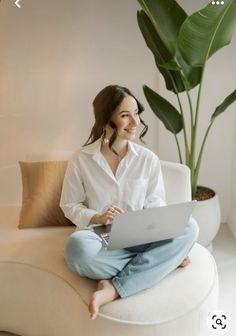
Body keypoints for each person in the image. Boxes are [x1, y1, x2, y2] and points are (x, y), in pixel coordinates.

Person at [60, 84, 199, 320]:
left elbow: (155, 204)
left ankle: (112, 287)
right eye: (125, 115)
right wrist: (99, 217)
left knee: (190, 227)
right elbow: (69, 205)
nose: (135, 122)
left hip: (140, 235)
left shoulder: (147, 159)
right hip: (99, 235)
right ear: (105, 119)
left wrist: (146, 224)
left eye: (136, 113)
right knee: (76, 249)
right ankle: (160, 263)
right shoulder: (81, 159)